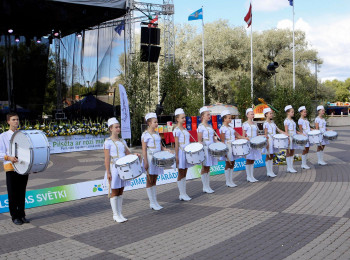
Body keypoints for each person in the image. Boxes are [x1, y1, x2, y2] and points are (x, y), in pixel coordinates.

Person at [104, 117, 138, 223]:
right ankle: (115, 214)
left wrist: (134, 155)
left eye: (119, 127)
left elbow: (128, 153)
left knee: (121, 190)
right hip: (114, 168)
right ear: (111, 129)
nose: (118, 129)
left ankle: (120, 213)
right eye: (116, 127)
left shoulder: (122, 141)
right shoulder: (107, 142)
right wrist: (108, 172)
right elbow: (106, 158)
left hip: (123, 168)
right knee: (114, 190)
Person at [0, 113, 30, 225]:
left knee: (22, 192)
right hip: (11, 168)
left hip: (23, 167)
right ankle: (15, 216)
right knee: (12, 193)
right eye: (13, 120)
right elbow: (0, 153)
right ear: (8, 121)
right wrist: (9, 157)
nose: (16, 122)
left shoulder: (23, 134)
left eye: (17, 119)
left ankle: (22, 215)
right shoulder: (3, 136)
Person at [142, 112, 171, 210]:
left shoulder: (157, 133)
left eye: (157, 122)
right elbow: (144, 150)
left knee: (155, 179)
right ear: (149, 123)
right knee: (149, 179)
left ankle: (155, 201)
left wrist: (166, 150)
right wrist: (145, 161)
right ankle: (152, 202)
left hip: (158, 158)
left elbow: (161, 147)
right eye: (155, 122)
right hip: (150, 159)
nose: (156, 124)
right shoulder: (145, 135)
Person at [219, 110, 248, 187]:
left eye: (230, 118)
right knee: (228, 163)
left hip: (233, 146)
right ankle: (227, 181)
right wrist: (224, 151)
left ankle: (231, 180)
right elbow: (222, 141)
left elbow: (238, 135)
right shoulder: (222, 128)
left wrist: (245, 138)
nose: (230, 119)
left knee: (233, 163)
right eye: (229, 118)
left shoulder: (231, 127)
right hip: (227, 146)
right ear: (224, 119)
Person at [173, 108, 192, 201]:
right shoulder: (176, 130)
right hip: (180, 153)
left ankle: (184, 193)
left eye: (184, 117)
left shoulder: (185, 129)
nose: (184, 119)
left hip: (187, 153)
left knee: (185, 172)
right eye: (182, 118)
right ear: (177, 119)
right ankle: (181, 193)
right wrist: (176, 156)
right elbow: (176, 145)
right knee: (181, 173)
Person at [197, 107, 217, 193]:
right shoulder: (200, 126)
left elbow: (213, 138)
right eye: (208, 114)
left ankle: (208, 186)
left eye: (210, 114)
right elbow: (199, 140)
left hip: (211, 148)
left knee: (208, 167)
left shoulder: (210, 126)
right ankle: (204, 187)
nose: (210, 116)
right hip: (205, 148)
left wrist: (218, 143)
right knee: (204, 167)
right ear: (203, 116)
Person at [263, 107, 285, 177]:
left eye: (272, 114)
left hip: (274, 139)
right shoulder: (265, 123)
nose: (271, 115)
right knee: (268, 155)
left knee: (271, 155)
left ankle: (271, 171)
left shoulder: (273, 123)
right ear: (266, 115)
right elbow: (265, 134)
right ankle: (268, 171)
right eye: (270, 114)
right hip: (269, 139)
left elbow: (278, 130)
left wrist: (284, 133)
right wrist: (267, 143)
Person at [242, 108, 261, 182]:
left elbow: (257, 134)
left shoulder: (255, 124)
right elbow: (243, 135)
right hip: (249, 143)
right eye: (251, 114)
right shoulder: (245, 124)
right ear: (247, 115)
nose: (253, 115)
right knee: (249, 159)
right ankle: (248, 176)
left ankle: (252, 176)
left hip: (254, 143)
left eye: (253, 114)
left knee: (253, 159)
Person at [284, 105, 303, 173]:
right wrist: (288, 138)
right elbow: (286, 131)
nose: (293, 113)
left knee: (292, 151)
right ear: (288, 112)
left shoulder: (292, 120)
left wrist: (299, 133)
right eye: (292, 112)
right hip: (289, 137)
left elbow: (294, 130)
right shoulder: (286, 121)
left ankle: (291, 166)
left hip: (294, 136)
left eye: (293, 112)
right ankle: (289, 167)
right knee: (288, 152)